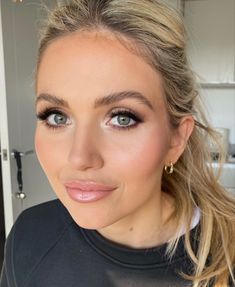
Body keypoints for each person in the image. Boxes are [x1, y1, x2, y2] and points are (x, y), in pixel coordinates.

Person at [1, 0, 235, 286]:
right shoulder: (30, 236)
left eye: (122, 119)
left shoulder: (228, 261)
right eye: (57, 117)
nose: (79, 157)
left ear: (177, 139)